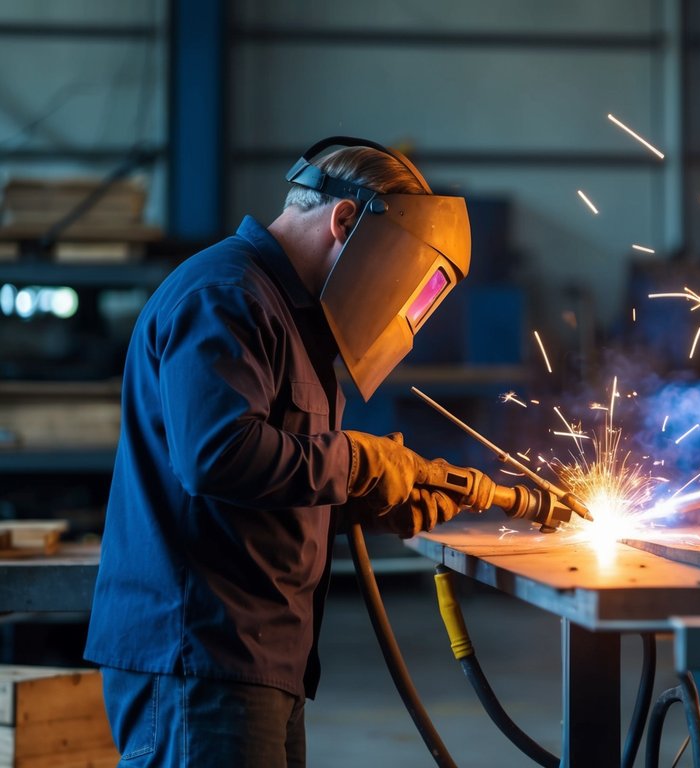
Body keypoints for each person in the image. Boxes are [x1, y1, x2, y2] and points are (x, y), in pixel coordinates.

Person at [85, 137, 486, 767]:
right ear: (345, 222)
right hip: (201, 657)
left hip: (258, 656)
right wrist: (359, 462)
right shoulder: (225, 295)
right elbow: (217, 455)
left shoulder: (293, 318)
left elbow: (273, 479)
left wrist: (367, 500)